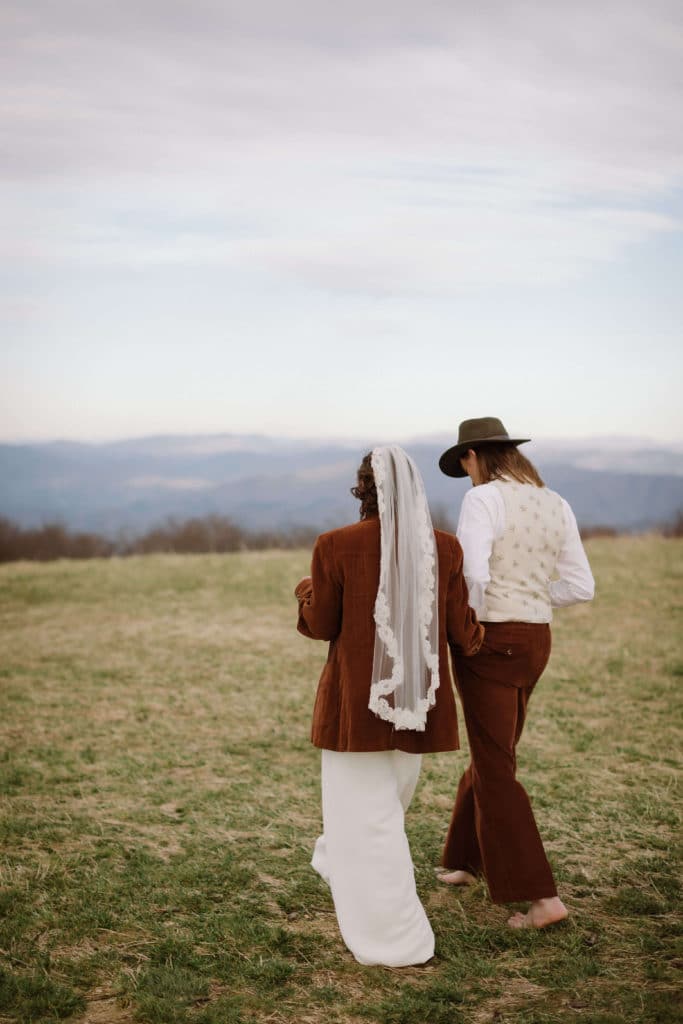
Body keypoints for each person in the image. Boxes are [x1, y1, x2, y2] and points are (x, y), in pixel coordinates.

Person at [294, 445, 483, 966]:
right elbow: (461, 630)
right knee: (382, 815)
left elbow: (321, 624)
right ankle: (340, 859)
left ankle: (394, 938)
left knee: (368, 822)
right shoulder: (444, 548)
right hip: (417, 705)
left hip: (355, 709)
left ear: (364, 490)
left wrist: (305, 591)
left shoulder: (334, 545)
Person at [436, 417, 595, 929]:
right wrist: (528, 595)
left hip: (491, 639)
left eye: (465, 464)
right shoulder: (556, 501)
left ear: (472, 456)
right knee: (496, 749)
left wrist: (472, 626)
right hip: (536, 641)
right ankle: (466, 860)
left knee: (495, 762)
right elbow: (579, 586)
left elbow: (473, 573)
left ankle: (541, 899)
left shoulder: (483, 500)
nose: (467, 474)